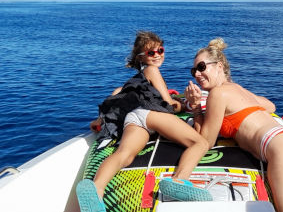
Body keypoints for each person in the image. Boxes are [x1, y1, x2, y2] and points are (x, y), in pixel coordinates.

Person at [160, 38, 283, 212]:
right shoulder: (239, 90)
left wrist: (196, 110)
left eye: (202, 67)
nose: (197, 74)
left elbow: (206, 141)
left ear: (219, 66)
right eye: (194, 70)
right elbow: (270, 105)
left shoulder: (218, 94)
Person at [76, 31, 209, 212]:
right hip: (151, 114)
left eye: (160, 50)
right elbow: (168, 104)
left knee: (125, 154)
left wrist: (100, 119)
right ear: (141, 58)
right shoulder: (153, 70)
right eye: (151, 53)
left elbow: (116, 93)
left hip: (133, 116)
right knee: (200, 143)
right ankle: (178, 181)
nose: (157, 55)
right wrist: (186, 105)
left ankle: (96, 189)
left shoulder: (135, 79)